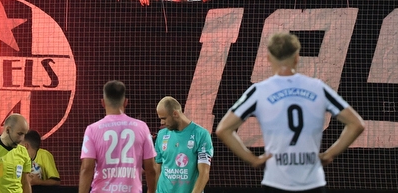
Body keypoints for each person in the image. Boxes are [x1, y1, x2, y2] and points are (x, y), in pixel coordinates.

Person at [216, 32, 365, 192]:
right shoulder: (318, 87)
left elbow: (223, 129)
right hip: (312, 182)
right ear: (297, 57)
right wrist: (330, 154)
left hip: (276, 181)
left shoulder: (259, 91)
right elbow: (356, 123)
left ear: (268, 57)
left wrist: (253, 160)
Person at [79, 81, 157, 193]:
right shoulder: (142, 127)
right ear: (126, 102)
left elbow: (87, 168)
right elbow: (151, 169)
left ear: (103, 103)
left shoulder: (92, 129)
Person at [154, 96, 213, 193]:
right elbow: (157, 169)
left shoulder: (201, 134)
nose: (162, 122)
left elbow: (204, 174)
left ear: (175, 114)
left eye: (164, 118)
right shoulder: (161, 135)